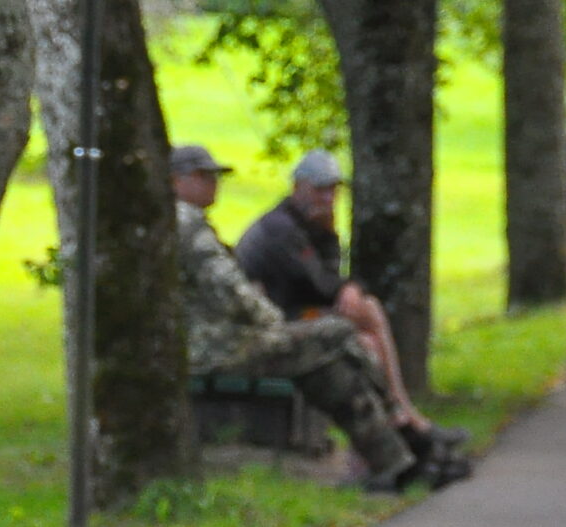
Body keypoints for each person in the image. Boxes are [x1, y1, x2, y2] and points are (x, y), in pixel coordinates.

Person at [170, 145, 464, 493]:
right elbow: (234, 291)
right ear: (176, 181)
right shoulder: (188, 224)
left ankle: (395, 461)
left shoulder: (181, 222)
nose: (213, 184)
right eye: (203, 176)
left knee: (330, 366)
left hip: (215, 340)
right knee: (339, 334)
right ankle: (407, 436)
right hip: (215, 346)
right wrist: (272, 324)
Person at [234, 149, 464, 450]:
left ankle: (395, 430)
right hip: (266, 327)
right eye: (320, 189)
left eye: (333, 190)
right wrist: (349, 285)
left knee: (366, 334)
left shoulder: (310, 225)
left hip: (289, 315)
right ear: (298, 187)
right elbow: (318, 285)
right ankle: (403, 420)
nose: (328, 198)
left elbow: (327, 280)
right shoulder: (280, 228)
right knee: (366, 321)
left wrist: (334, 248)